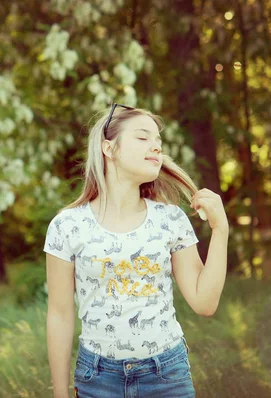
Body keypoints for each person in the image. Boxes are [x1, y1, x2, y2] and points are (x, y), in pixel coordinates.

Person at [43, 104, 229, 398]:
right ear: (109, 148)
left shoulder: (170, 219)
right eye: (143, 138)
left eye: (158, 141)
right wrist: (60, 394)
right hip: (97, 379)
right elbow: (60, 315)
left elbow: (204, 303)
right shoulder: (67, 226)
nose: (156, 147)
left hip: (167, 375)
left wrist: (221, 231)